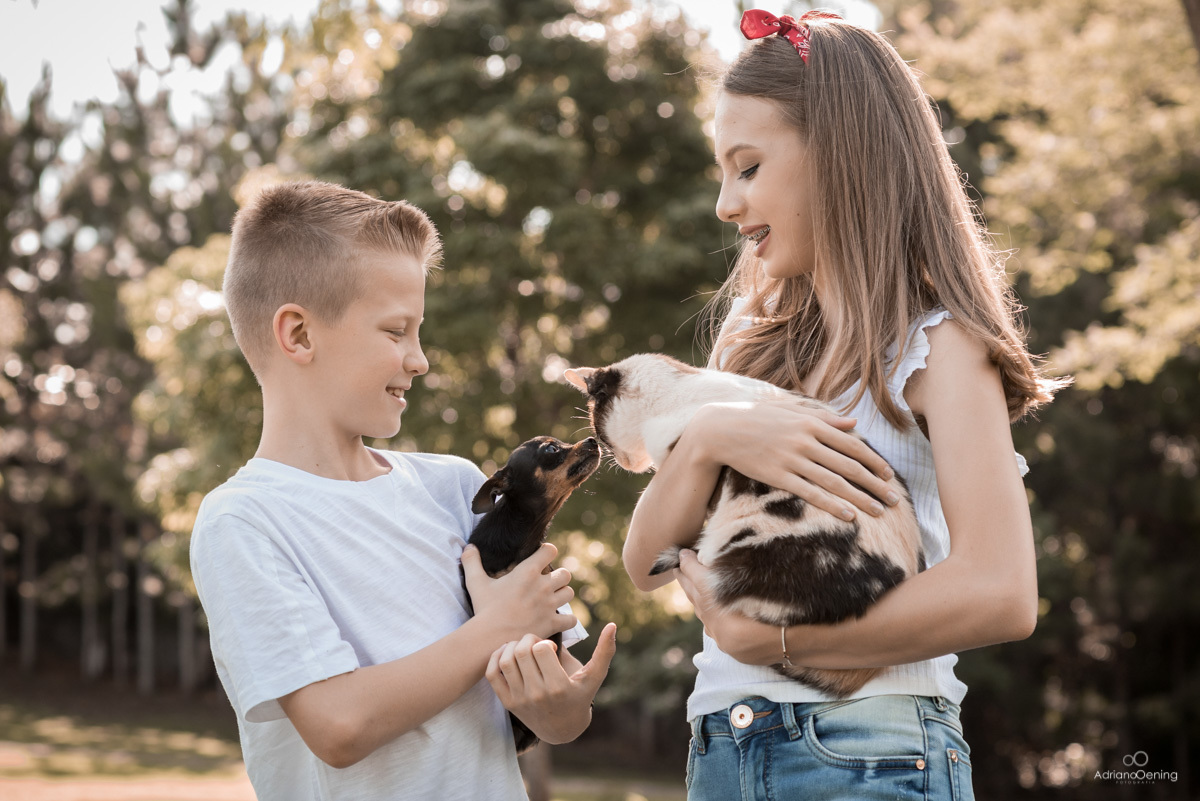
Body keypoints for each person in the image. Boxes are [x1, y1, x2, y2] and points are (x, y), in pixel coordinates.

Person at [621, 10, 1067, 800]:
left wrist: (778, 635)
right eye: (722, 172)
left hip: (869, 751)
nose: (726, 203)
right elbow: (647, 565)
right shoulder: (750, 352)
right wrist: (709, 437)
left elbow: (1001, 588)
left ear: (841, 156)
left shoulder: (938, 349)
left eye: (749, 166)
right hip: (723, 745)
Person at [189, 180, 617, 800]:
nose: (419, 359)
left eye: (419, 332)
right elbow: (338, 726)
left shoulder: (455, 487)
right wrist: (492, 630)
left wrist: (560, 704)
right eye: (395, 332)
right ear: (299, 335)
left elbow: (559, 717)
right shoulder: (245, 520)